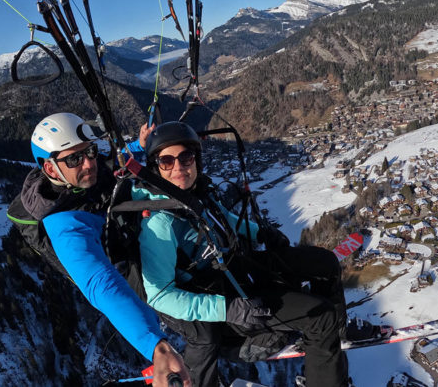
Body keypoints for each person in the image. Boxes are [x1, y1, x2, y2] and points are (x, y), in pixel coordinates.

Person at [134, 121, 384, 386]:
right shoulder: (159, 222)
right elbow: (159, 295)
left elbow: (225, 219)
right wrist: (227, 308)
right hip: (227, 303)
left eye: (185, 157)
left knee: (326, 263)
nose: (178, 168)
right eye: (166, 161)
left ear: (196, 159)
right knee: (321, 316)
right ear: (155, 167)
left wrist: (259, 233)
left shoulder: (195, 194)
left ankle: (336, 333)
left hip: (237, 271)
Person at [7, 113, 191, 386]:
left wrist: (139, 146)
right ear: (49, 169)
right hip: (115, 259)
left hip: (115, 229)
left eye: (90, 151)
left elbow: (110, 164)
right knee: (171, 298)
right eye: (75, 159)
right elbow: (100, 283)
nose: (89, 163)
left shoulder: (79, 175)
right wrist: (158, 348)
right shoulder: (64, 226)